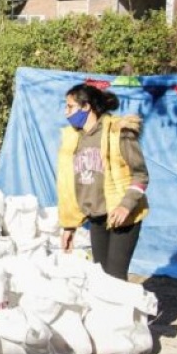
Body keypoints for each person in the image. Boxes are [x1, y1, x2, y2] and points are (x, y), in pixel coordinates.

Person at [58, 83, 149, 281]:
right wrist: (69, 226)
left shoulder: (118, 133)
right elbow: (70, 186)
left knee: (115, 277)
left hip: (122, 215)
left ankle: (124, 312)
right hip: (97, 217)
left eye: (70, 106)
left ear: (86, 107)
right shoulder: (74, 140)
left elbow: (141, 175)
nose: (66, 113)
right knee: (101, 277)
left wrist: (126, 206)